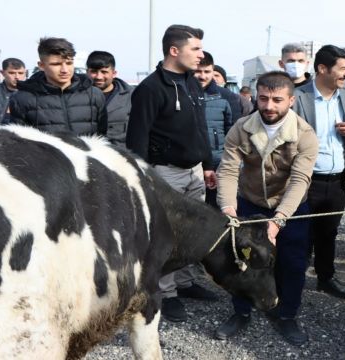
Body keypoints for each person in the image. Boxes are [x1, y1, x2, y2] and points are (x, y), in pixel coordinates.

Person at [214, 71, 318, 345]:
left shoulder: (305, 134)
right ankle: (241, 311)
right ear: (256, 96)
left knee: (292, 263)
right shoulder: (241, 128)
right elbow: (227, 171)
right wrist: (228, 208)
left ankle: (286, 315)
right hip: (250, 203)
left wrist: (279, 220)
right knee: (242, 261)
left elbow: (299, 180)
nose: (269, 106)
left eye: (277, 100)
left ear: (291, 101)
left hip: (292, 208)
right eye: (263, 98)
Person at [125, 24, 218, 323]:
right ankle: (166, 293)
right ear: (174, 50)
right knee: (167, 235)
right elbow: (136, 139)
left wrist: (207, 165)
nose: (201, 56)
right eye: (196, 49)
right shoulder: (151, 88)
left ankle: (187, 282)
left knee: (194, 231)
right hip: (165, 174)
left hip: (194, 172)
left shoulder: (192, 82)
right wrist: (144, 179)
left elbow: (200, 127)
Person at [291, 44, 345, 300]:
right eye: (342, 69)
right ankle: (291, 282)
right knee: (299, 234)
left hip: (337, 181)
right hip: (305, 180)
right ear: (322, 68)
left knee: (328, 232)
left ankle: (325, 278)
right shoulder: (297, 97)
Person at [9, 37, 107, 136]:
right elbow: (19, 142)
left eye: (69, 63)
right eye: (56, 64)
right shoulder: (22, 99)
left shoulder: (94, 94)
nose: (65, 70)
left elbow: (102, 137)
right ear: (41, 66)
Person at [193, 51, 234, 207]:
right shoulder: (181, 94)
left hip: (218, 163)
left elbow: (233, 132)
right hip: (190, 164)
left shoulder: (225, 97)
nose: (202, 76)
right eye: (198, 71)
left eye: (207, 71)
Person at [86, 50, 132, 146]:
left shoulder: (131, 97)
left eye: (104, 72)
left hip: (121, 156)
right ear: (87, 72)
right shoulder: (76, 97)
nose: (99, 76)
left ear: (114, 73)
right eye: (94, 72)